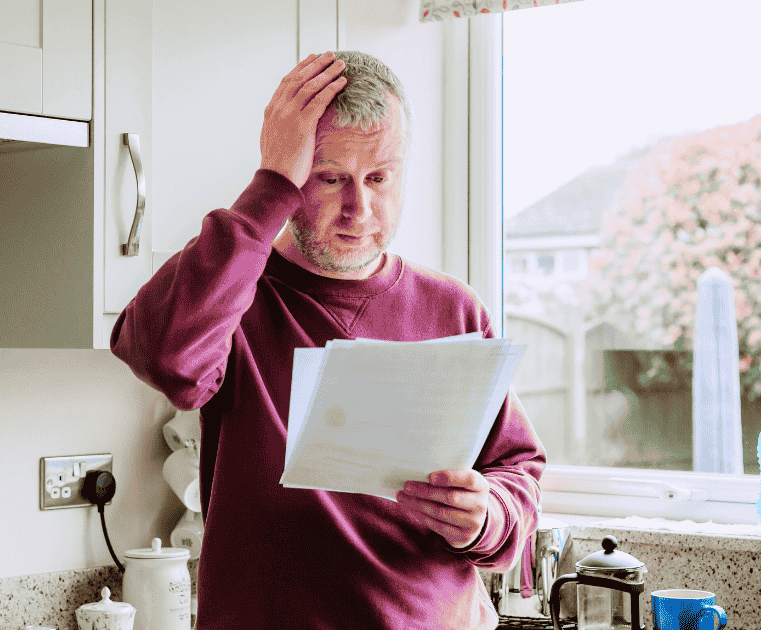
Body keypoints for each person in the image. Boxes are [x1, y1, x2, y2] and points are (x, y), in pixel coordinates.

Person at [111, 50, 546, 630]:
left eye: (379, 178)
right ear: (292, 175)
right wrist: (268, 185)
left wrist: (487, 516)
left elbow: (517, 469)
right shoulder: (238, 292)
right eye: (330, 178)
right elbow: (166, 358)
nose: (358, 209)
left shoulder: (455, 308)